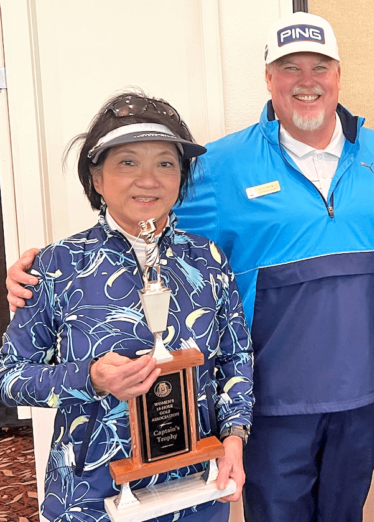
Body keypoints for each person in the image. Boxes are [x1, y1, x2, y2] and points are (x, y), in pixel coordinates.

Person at [6, 13, 374, 522]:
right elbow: (143, 218)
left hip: (342, 395)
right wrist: (44, 271)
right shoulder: (223, 165)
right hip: (264, 404)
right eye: (290, 68)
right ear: (268, 78)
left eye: (321, 66)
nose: (307, 81)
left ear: (339, 73)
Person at [0, 92, 253, 522]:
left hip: (194, 493)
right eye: (128, 162)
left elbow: (235, 358)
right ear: (97, 179)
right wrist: (92, 377)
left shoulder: (207, 260)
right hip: (91, 499)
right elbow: (10, 376)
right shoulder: (57, 266)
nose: (149, 179)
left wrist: (233, 437)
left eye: (166, 163)